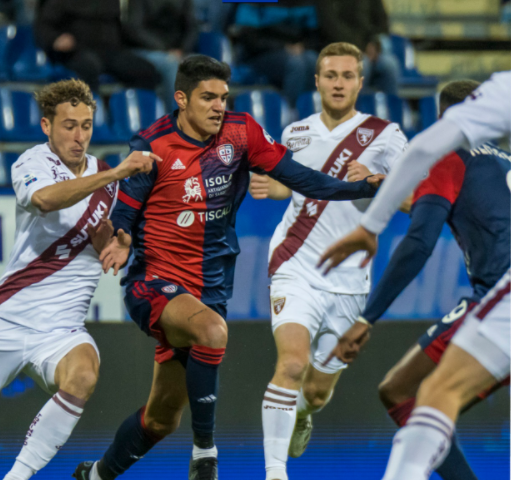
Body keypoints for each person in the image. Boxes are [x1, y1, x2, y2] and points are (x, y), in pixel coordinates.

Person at [71, 54, 384, 480]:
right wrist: (122, 239)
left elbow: (300, 178)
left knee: (162, 418)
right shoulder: (152, 145)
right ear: (181, 99)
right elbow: (125, 214)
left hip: (210, 285)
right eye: (208, 98)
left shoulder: (242, 132)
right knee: (213, 332)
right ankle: (205, 455)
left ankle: (95, 476)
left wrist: (359, 188)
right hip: (153, 282)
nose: (219, 106)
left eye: (223, 96)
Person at [319, 71, 511, 480]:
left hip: (500, 299)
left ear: (446, 120)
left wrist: (366, 317)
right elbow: (451, 203)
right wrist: (384, 188)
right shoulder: (500, 161)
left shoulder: (450, 154)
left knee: (404, 391)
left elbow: (419, 241)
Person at [247, 42, 407, 480]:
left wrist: (378, 181)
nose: (338, 84)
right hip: (295, 264)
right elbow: (290, 186)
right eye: (330, 76)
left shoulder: (386, 135)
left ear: (360, 81)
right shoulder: (296, 133)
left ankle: (301, 414)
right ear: (316, 81)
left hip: (350, 280)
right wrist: (271, 188)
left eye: (347, 76)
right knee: (292, 364)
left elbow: (416, 199)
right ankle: (274, 472)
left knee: (316, 392)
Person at [0, 79, 159, 480]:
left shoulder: (107, 179)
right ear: (45, 126)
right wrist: (117, 172)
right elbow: (45, 200)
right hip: (11, 316)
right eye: (69, 125)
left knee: (84, 373)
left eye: (86, 125)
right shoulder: (31, 163)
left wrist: (121, 244)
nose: (79, 135)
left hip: (61, 328)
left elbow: (124, 239)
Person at [34, 0, 161, 93]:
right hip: (77, 51)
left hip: (111, 51)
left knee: (146, 70)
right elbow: (43, 26)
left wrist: (154, 46)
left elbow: (121, 29)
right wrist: (56, 39)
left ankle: (133, 117)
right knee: (90, 66)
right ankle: (91, 119)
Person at [123, 0, 199, 111]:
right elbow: (134, 29)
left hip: (178, 51)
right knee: (172, 66)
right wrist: (165, 50)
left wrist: (182, 49)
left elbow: (192, 27)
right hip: (146, 50)